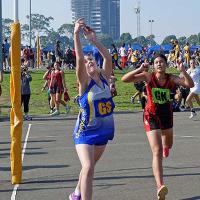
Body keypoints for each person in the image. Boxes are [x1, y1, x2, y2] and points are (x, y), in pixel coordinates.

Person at [121, 54, 194, 200]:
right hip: (151, 115)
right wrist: (139, 69)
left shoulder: (171, 78)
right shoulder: (148, 77)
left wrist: (183, 71)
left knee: (168, 145)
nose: (159, 64)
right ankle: (160, 186)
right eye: (156, 62)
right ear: (153, 65)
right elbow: (125, 79)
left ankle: (167, 147)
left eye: (161, 62)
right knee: (157, 151)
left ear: (166, 64)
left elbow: (190, 85)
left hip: (166, 115)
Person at [69, 18, 115, 200]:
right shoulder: (84, 83)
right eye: (87, 62)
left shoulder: (104, 78)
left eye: (91, 60)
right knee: (88, 167)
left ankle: (76, 193)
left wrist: (94, 40)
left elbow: (108, 57)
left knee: (88, 168)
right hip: (85, 131)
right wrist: (76, 35)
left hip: (103, 130)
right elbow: (79, 59)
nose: (89, 62)